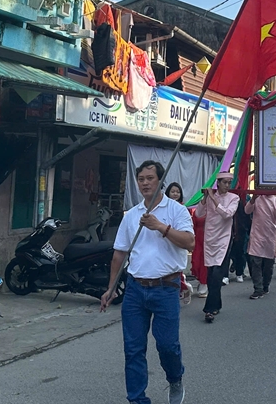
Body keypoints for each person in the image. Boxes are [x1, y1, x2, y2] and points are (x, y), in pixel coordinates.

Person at [101, 160, 195, 404]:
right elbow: (119, 254)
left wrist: (160, 227)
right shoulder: (132, 215)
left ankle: (175, 379)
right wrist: (111, 288)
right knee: (133, 349)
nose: (144, 183)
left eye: (149, 178)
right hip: (135, 288)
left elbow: (189, 242)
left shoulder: (176, 211)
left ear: (160, 181)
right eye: (141, 179)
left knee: (167, 345)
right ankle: (137, 399)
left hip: (166, 288)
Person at [195, 171, 239, 323]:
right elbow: (199, 214)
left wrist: (213, 199)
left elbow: (227, 214)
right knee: (211, 273)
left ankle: (208, 310)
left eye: (229, 182)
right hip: (210, 239)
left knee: (217, 275)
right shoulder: (210, 198)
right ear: (218, 183)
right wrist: (205, 198)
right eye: (224, 182)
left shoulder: (234, 198)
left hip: (224, 240)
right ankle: (217, 304)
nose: (227, 185)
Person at [244, 193, 276, 299]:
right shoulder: (257, 199)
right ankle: (258, 289)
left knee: (268, 265)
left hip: (270, 236)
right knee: (255, 262)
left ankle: (265, 285)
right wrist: (253, 200)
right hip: (257, 235)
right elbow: (247, 210)